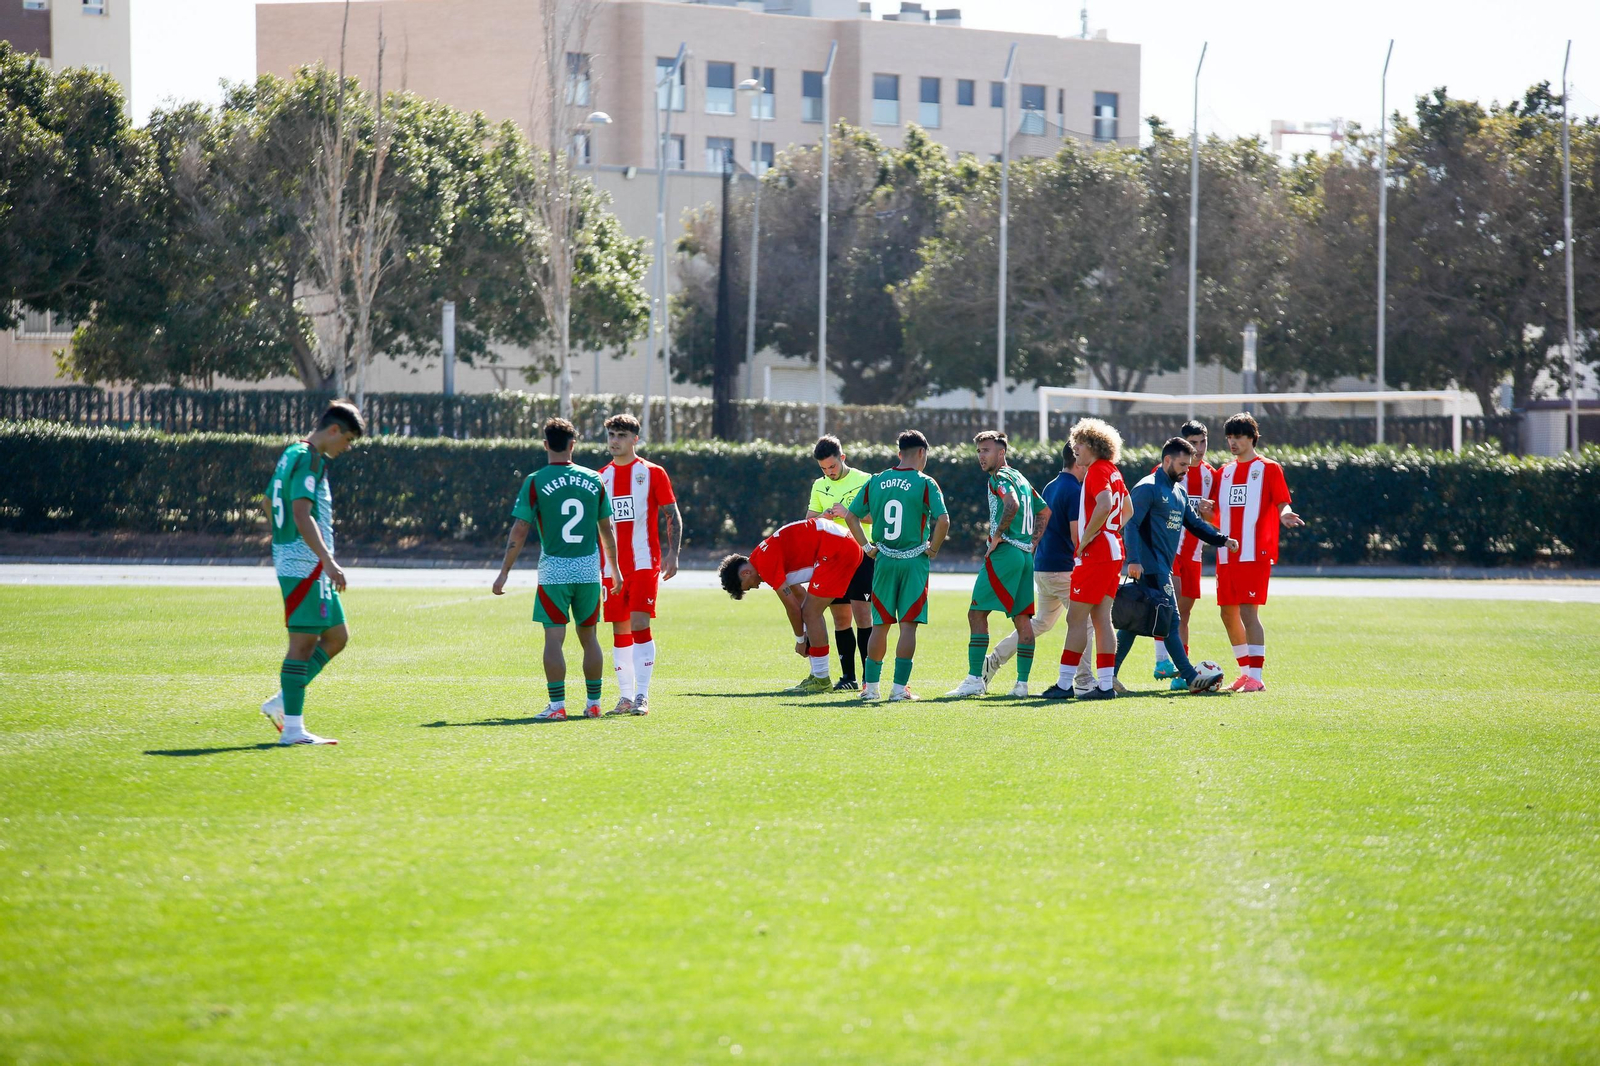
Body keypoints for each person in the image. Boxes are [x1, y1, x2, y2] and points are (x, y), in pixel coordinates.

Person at [492, 417, 622, 721]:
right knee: (589, 637)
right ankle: (593, 704)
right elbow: (607, 530)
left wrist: (504, 572)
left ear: (546, 445)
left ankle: (557, 706)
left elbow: (520, 529)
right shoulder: (594, 479)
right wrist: (614, 570)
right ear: (573, 445)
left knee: (554, 639)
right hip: (589, 570)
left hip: (554, 571)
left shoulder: (535, 481)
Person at [260, 400, 366, 745]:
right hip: (305, 565)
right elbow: (302, 513)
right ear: (333, 430)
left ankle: (282, 701)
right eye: (347, 439)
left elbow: (267, 501)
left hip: (302, 561)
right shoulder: (310, 459)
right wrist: (327, 560)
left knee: (337, 637)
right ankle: (292, 729)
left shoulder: (291, 453)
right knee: (303, 644)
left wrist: (283, 537)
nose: (346, 448)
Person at [1111, 437, 1237, 692]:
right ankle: (1192, 678)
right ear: (1167, 460)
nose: (1185, 471)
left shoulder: (1179, 492)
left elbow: (1195, 524)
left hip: (1161, 567)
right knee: (1171, 618)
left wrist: (1222, 539)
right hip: (1149, 567)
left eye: (1188, 466)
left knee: (1135, 621)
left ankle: (1107, 675)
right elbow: (1132, 524)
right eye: (1182, 464)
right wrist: (1133, 560)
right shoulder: (1147, 487)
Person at [842, 430, 950, 702]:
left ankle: (872, 688)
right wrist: (933, 548)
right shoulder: (925, 482)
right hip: (914, 561)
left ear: (899, 453)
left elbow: (852, 516)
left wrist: (867, 547)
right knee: (908, 625)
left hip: (884, 560)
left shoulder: (877, 480)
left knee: (880, 626)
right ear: (922, 453)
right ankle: (899, 689)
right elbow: (943, 520)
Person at [984, 440, 1096, 694]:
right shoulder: (1075, 489)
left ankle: (993, 660)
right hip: (1063, 569)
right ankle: (1084, 681)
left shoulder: (1052, 485)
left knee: (1041, 623)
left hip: (1043, 567)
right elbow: (1076, 536)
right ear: (1078, 459)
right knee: (1085, 623)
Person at [947, 430, 1050, 698]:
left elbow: (1011, 504)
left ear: (1001, 453)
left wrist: (997, 536)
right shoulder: (1021, 478)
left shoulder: (1001, 477)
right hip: (1025, 556)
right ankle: (1022, 685)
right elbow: (1044, 510)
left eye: (986, 450)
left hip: (1005, 554)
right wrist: (1033, 541)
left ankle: (974, 680)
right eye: (979, 450)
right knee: (1022, 620)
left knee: (976, 613)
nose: (981, 456)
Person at [718, 517, 865, 694]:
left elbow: (793, 608)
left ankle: (822, 679)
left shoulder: (764, 563)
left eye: (749, 586)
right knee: (810, 611)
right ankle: (817, 675)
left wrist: (800, 640)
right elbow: (799, 596)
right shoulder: (762, 556)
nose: (755, 587)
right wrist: (804, 632)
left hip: (836, 548)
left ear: (745, 572)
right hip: (840, 544)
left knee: (811, 613)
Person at [1212, 412, 1304, 692]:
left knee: (1249, 614)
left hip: (1254, 554)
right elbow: (1216, 515)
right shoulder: (1223, 472)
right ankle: (1244, 672)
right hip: (1226, 554)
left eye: (1238, 436)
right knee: (1227, 613)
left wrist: (1285, 515)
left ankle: (1256, 676)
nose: (1232, 442)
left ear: (1252, 437)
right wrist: (1206, 511)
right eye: (1229, 437)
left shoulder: (1268, 469)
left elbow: (1282, 503)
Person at [597, 413, 682, 716]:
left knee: (639, 625)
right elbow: (597, 524)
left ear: (635, 439)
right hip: (611, 567)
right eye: (611, 435)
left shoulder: (652, 472)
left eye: (621, 435)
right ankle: (625, 697)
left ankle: (643, 696)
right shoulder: (601, 477)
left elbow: (672, 513)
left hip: (645, 562)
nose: (615, 441)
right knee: (619, 630)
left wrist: (673, 554)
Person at [1043, 418, 1133, 701]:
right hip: (1114, 551)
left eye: (1079, 443)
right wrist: (1109, 532)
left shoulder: (1096, 471)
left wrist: (1087, 539)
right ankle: (1105, 686)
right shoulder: (1113, 470)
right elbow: (1128, 510)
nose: (1075, 448)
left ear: (1093, 444)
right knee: (1102, 618)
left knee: (1076, 618)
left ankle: (1064, 683)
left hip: (1097, 555)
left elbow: (1106, 504)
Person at [1152, 419, 1219, 688]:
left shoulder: (1209, 475)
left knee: (1185, 612)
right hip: (1170, 550)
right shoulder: (1167, 469)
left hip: (1193, 551)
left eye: (1203, 442)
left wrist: (1207, 512)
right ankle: (1162, 662)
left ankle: (1179, 673)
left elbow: (1214, 518)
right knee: (1169, 608)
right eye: (1194, 443)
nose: (1200, 448)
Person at [805, 436, 875, 691]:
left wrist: (849, 514)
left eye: (832, 467)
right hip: (832, 559)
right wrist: (823, 517)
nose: (828, 473)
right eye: (823, 469)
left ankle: (870, 678)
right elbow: (809, 521)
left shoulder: (865, 480)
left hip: (861, 556)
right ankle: (848, 678)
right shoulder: (818, 486)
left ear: (842, 458)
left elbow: (874, 516)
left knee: (863, 616)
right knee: (841, 619)